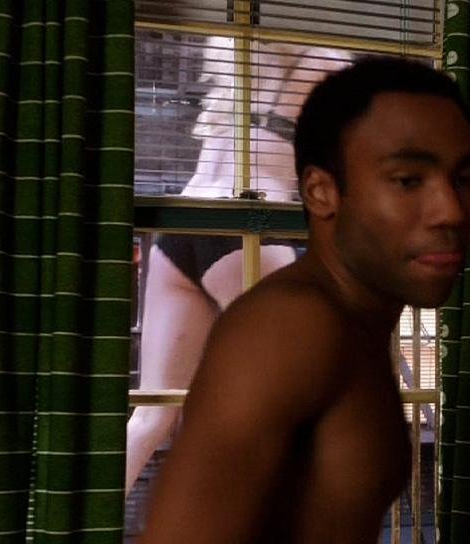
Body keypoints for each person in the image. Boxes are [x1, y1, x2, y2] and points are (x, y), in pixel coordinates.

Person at [119, 56, 470, 544]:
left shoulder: (353, 329)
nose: (450, 210)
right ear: (321, 192)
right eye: (408, 180)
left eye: (464, 179)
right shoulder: (295, 326)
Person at [125, 38, 352, 497]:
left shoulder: (236, 55)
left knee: (151, 415)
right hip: (247, 226)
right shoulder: (324, 57)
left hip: (184, 224)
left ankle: (77, 534)